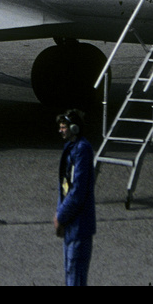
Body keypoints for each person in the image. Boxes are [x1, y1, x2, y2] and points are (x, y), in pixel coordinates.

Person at [53, 108, 96, 286]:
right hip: (71, 223)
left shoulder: (82, 150)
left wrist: (60, 216)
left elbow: (77, 191)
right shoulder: (71, 148)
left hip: (79, 225)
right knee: (70, 272)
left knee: (75, 276)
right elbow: (64, 186)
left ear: (74, 128)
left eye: (63, 127)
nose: (60, 130)